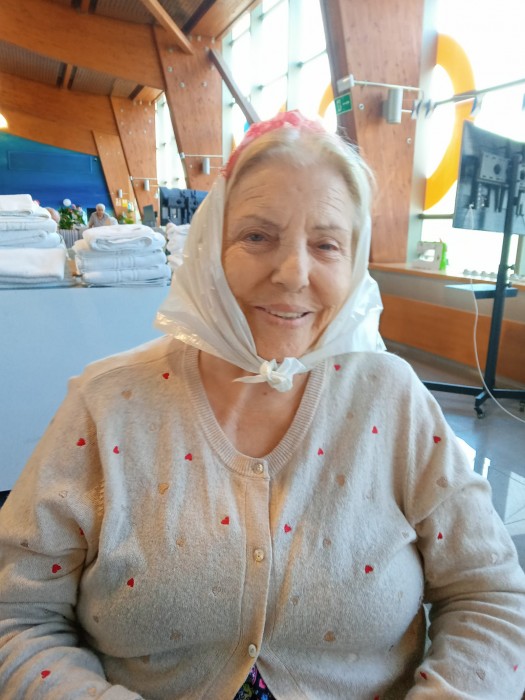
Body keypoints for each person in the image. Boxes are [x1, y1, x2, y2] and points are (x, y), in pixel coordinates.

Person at [0, 111, 524, 700]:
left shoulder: (392, 399)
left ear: (354, 263)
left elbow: (491, 595)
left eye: (326, 244)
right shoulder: (106, 405)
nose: (293, 273)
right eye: (257, 236)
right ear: (210, 245)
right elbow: (18, 617)